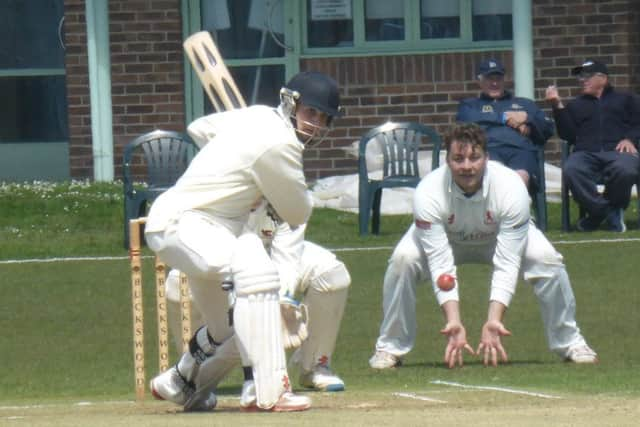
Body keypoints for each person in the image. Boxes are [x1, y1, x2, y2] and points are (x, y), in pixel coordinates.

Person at [144, 70, 344, 412]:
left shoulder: (254, 116)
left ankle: (180, 380)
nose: (316, 124)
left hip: (213, 230)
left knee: (230, 328)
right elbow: (298, 211)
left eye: (323, 118)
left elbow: (200, 128)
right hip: (186, 222)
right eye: (311, 113)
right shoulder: (280, 146)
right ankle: (269, 391)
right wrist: (258, 182)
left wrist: (240, 173)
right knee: (257, 270)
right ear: (290, 103)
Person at [368, 122, 598, 370]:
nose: (466, 166)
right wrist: (453, 321)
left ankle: (570, 342)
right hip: (447, 239)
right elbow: (440, 262)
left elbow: (507, 262)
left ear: (486, 158)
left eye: (474, 158)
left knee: (546, 259)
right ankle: (389, 348)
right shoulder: (428, 192)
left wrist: (494, 320)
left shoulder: (511, 187)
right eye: (458, 159)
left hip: (497, 238)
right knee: (403, 260)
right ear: (447, 160)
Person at [160, 204, 351, 412]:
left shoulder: (285, 193)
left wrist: (282, 301)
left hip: (267, 253)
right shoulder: (220, 193)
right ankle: (194, 376)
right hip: (217, 259)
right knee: (178, 283)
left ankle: (314, 365)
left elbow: (288, 258)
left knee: (331, 273)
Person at [545, 59, 640, 232]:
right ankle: (607, 212)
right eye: (581, 77)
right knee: (572, 169)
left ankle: (597, 216)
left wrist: (630, 139)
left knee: (625, 168)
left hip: (619, 151)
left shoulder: (626, 99)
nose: (582, 80)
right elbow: (568, 135)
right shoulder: (576, 105)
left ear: (603, 78)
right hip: (586, 153)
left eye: (587, 76)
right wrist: (557, 106)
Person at [457, 58, 554, 194]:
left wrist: (527, 118)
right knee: (495, 177)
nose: (494, 83)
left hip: (521, 151)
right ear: (479, 81)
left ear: (505, 80)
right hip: (489, 151)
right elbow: (466, 121)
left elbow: (548, 128)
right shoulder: (470, 105)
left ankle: (517, 214)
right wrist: (506, 118)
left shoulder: (524, 104)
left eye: (498, 78)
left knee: (519, 178)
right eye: (489, 78)